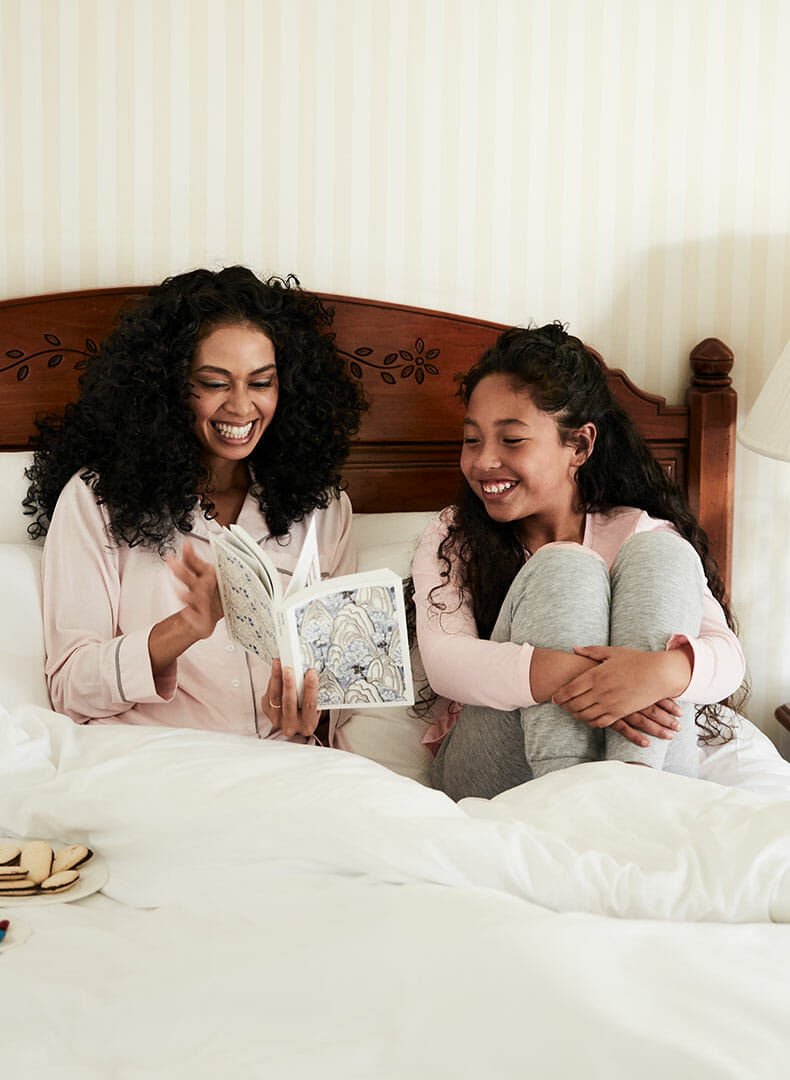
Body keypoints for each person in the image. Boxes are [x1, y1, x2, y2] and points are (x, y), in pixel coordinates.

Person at [24, 266, 366, 743]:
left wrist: (310, 717)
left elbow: (344, 695)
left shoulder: (324, 510)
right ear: (168, 387)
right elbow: (70, 687)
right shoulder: (96, 501)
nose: (242, 407)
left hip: (287, 773)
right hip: (156, 764)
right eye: (214, 382)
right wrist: (185, 626)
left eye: (261, 382)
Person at [411, 322, 746, 800]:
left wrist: (658, 674)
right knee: (564, 567)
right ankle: (571, 801)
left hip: (644, 767)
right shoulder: (453, 534)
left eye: (512, 440)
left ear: (580, 446)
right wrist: (602, 678)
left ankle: (628, 788)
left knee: (663, 552)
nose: (484, 461)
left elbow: (729, 658)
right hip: (499, 766)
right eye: (472, 439)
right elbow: (447, 662)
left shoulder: (640, 531)